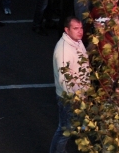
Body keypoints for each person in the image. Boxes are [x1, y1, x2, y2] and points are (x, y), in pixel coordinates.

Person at [51, 17, 89, 153]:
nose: (80, 32)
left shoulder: (76, 42)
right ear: (66, 30)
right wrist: (75, 98)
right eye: (75, 28)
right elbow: (64, 79)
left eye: (81, 28)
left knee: (70, 126)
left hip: (79, 93)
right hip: (70, 97)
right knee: (64, 130)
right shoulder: (64, 50)